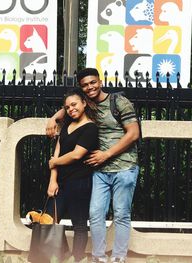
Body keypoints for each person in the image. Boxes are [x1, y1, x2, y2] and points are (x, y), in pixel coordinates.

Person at [46, 68, 140, 263]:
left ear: (100, 81)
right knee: (95, 213)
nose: (90, 87)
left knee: (121, 214)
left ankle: (118, 257)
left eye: (92, 82)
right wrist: (53, 118)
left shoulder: (119, 102)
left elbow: (133, 134)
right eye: (85, 85)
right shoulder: (86, 104)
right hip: (98, 170)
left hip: (124, 166)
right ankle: (98, 257)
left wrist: (106, 154)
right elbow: (70, 107)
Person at [46, 88, 99, 262]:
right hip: (60, 183)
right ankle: (63, 256)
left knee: (80, 225)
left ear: (84, 103)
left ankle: (77, 259)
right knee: (48, 221)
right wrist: (52, 181)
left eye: (74, 104)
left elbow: (76, 154)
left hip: (80, 183)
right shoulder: (67, 125)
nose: (71, 109)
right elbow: (57, 152)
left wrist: (55, 162)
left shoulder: (90, 128)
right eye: (67, 107)